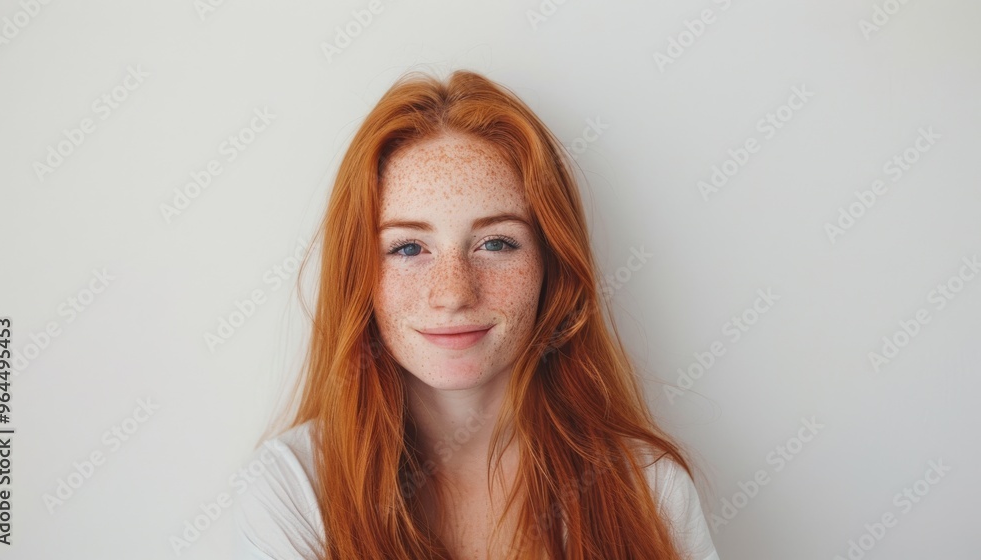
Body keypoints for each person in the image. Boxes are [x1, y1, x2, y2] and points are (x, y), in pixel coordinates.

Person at [232, 69, 720, 560]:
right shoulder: (292, 491)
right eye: (407, 248)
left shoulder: (649, 489)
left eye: (496, 242)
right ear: (357, 275)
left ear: (552, 267)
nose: (453, 293)